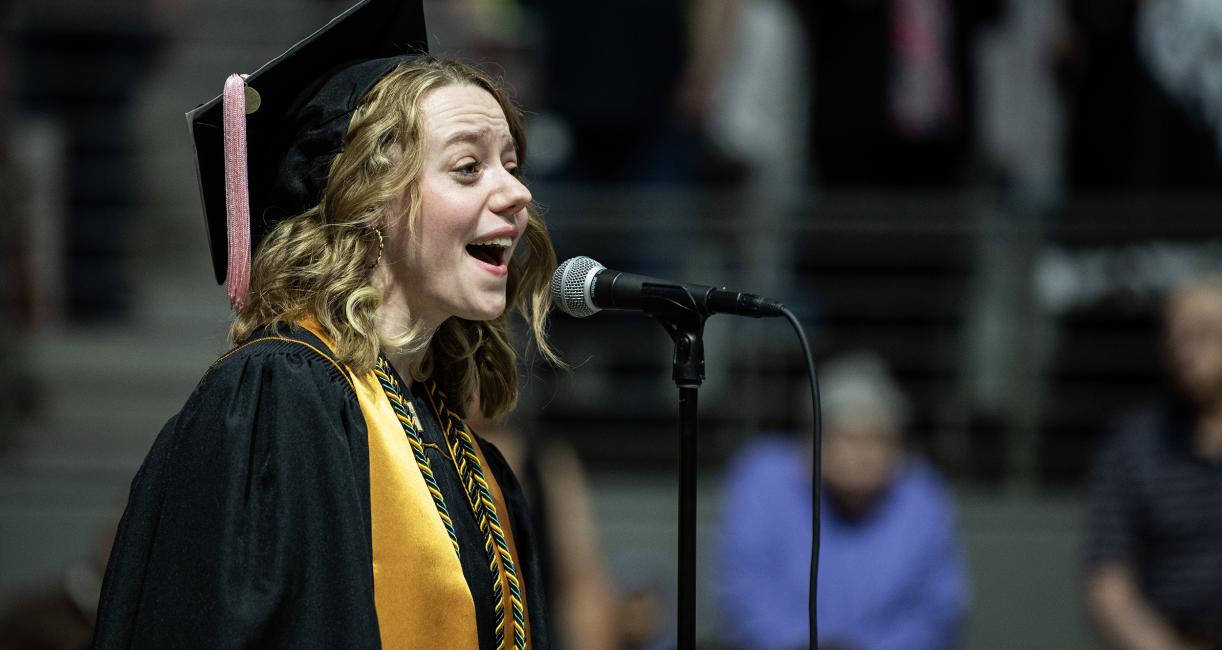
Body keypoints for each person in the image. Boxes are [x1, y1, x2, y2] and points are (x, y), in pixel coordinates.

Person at [92, 0, 558, 647]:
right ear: (368, 202)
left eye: (511, 163)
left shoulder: (454, 446)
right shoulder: (278, 399)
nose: (516, 193)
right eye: (468, 167)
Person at [716, 352, 969, 650]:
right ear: (811, 443)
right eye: (846, 436)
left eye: (876, 437)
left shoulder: (922, 493)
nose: (860, 455)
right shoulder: (763, 476)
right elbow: (744, 590)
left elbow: (937, 610)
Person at [1085, 277, 1222, 649]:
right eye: (1178, 336)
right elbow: (1109, 585)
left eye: (1205, 332)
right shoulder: (1133, 448)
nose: (1187, 350)